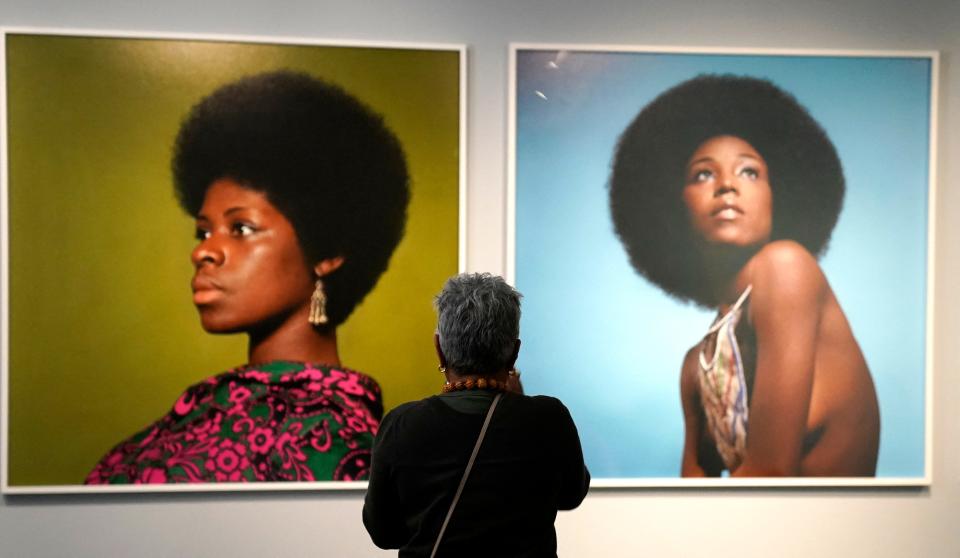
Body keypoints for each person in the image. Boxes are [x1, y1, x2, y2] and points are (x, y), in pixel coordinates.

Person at [85, 70, 409, 483]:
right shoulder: (200, 412)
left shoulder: (333, 441)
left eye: (241, 228)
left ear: (328, 251)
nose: (202, 251)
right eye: (204, 230)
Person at [608, 75, 880, 477]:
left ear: (779, 195)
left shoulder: (787, 267)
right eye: (703, 175)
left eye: (749, 172)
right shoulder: (695, 365)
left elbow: (771, 476)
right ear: (672, 206)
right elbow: (690, 502)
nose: (727, 186)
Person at [363, 273, 590, 556]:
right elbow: (571, 495)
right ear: (514, 353)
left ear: (439, 350)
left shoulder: (401, 425)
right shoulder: (549, 419)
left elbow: (383, 533)